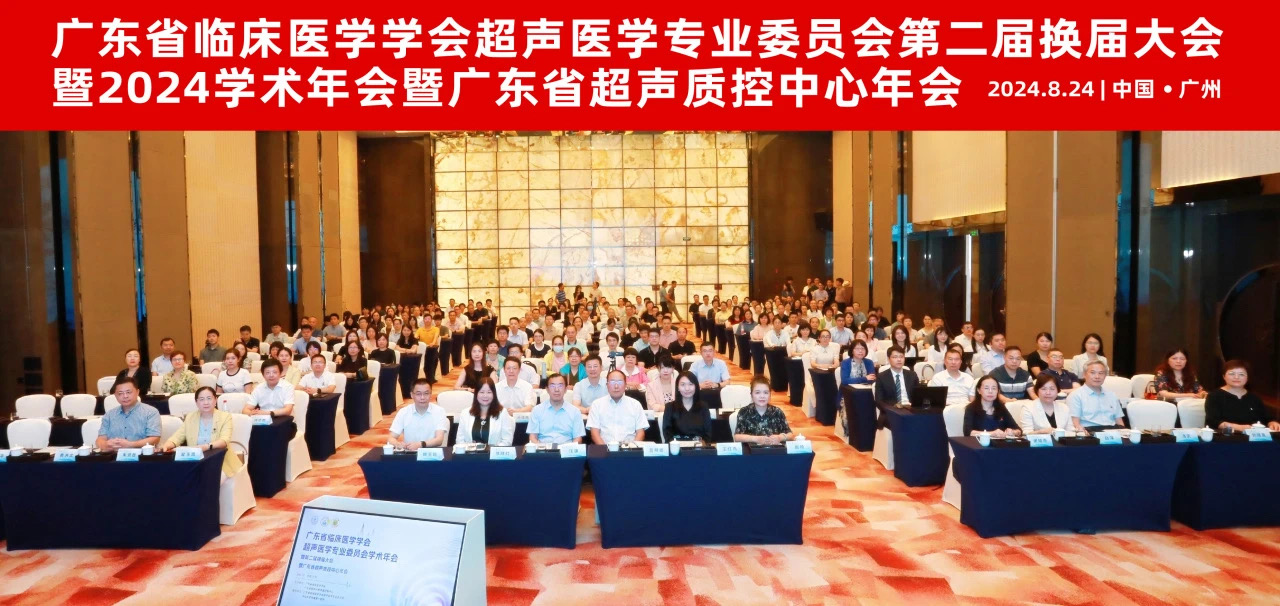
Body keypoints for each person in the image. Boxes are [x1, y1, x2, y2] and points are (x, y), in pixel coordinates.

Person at [161, 386, 242, 477]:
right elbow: (177, 437)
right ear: (196, 402)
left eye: (209, 398)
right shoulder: (190, 417)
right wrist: (167, 445)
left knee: (208, 479)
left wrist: (204, 447)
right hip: (195, 462)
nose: (206, 402)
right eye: (202, 399)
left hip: (221, 462)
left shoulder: (225, 417)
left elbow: (224, 441)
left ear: (215, 400)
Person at [1204, 360, 1280, 432]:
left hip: (1254, 437)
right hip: (1224, 437)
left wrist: (1272, 423)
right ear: (1224, 376)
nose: (1236, 377)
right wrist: (1239, 427)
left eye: (1241, 374)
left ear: (1247, 377)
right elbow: (1212, 421)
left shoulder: (1254, 398)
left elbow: (1267, 418)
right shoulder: (1214, 396)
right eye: (1231, 374)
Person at [96, 377, 162, 451]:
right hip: (114, 455)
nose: (125, 396)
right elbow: (100, 439)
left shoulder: (151, 412)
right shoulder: (109, 415)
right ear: (115, 395)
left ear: (137, 392)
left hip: (142, 455)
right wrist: (106, 444)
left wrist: (130, 444)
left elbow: (155, 439)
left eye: (128, 392)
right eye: (120, 393)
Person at [586, 369, 649, 443]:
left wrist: (632, 447)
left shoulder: (635, 405)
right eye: (612, 382)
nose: (616, 386)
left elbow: (640, 432)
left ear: (625, 385)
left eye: (620, 382)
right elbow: (594, 433)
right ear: (607, 385)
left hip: (630, 448)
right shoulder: (597, 404)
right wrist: (605, 449)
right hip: (604, 447)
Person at [388, 379, 450, 450]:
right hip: (410, 453)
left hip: (431, 453)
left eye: (426, 393)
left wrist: (420, 444)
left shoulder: (439, 411)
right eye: (418, 394)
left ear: (430, 394)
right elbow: (391, 438)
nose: (422, 397)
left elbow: (439, 440)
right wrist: (398, 444)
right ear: (412, 395)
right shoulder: (404, 412)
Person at [527, 374, 587, 445]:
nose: (556, 390)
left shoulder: (575, 411)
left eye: (560, 386)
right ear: (547, 389)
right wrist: (540, 448)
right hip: (543, 449)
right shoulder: (537, 410)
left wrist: (568, 449)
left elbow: (578, 439)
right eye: (552, 386)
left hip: (567, 450)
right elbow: (533, 437)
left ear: (565, 389)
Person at [454, 378, 516, 446]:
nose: (485, 396)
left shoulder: (502, 413)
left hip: (494, 452)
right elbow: (459, 441)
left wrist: (492, 450)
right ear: (476, 394)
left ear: (494, 394)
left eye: (489, 392)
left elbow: (507, 441)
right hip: (469, 452)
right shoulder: (465, 413)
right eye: (482, 392)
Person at [733, 376, 794, 444]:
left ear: (770, 395)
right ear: (751, 395)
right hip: (751, 450)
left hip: (774, 449)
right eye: (757, 392)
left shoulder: (777, 412)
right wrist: (755, 439)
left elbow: (791, 435)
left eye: (766, 392)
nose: (762, 396)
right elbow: (737, 437)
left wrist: (780, 437)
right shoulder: (744, 412)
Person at [1067, 361, 1126, 430]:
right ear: (1084, 374)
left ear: (1105, 376)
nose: (1097, 377)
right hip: (1089, 432)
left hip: (1113, 431)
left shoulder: (1112, 395)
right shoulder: (1075, 396)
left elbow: (1119, 422)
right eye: (1093, 373)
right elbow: (1075, 424)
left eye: (1101, 373)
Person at [662, 371, 714, 441]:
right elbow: (668, 435)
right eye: (683, 385)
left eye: (690, 384)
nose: (687, 388)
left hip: (699, 446)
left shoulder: (703, 407)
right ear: (677, 387)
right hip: (677, 446)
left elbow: (708, 434)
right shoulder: (669, 407)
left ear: (696, 386)